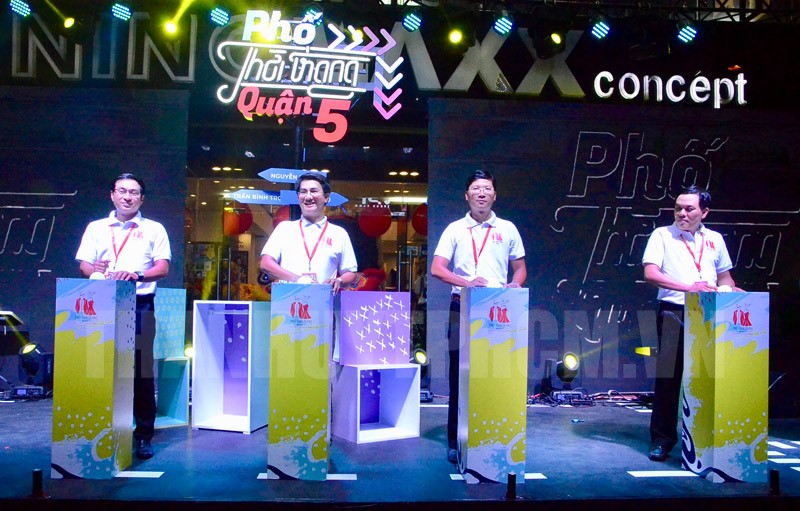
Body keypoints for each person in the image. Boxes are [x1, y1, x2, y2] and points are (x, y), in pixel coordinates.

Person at [431, 169, 527, 464]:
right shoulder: (455, 229)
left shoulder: (508, 228)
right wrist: (466, 282)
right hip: (462, 306)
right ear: (467, 195)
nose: (481, 193)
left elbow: (520, 269)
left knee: (495, 374)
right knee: (459, 376)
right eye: (476, 188)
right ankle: (455, 441)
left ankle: (492, 436)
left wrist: (515, 284)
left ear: (494, 195)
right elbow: (437, 268)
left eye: (486, 188)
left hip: (497, 310)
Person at [642, 185, 741, 462]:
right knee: (669, 378)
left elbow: (725, 277)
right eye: (678, 208)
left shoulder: (715, 239)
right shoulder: (662, 235)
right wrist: (689, 288)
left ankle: (703, 438)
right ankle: (662, 439)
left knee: (706, 376)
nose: (682, 213)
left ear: (704, 212)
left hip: (709, 313)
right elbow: (651, 273)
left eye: (689, 209)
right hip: (674, 311)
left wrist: (732, 290)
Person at [75, 173, 171, 460]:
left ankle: (143, 436)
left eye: (134, 192)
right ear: (112, 195)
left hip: (139, 304)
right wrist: (96, 270)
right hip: (102, 303)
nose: (127, 197)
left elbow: (163, 268)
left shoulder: (154, 228)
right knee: (100, 366)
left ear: (142, 198)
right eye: (122, 191)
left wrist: (136, 274)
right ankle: (100, 431)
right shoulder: (96, 228)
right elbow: (84, 265)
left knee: (141, 371)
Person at [260, 172, 357, 290]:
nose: (308, 197)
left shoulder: (339, 233)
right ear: (298, 197)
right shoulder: (284, 229)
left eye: (314, 191)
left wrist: (339, 280)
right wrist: (298, 280)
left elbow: (350, 272)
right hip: (288, 298)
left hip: (324, 298)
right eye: (303, 192)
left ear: (326, 197)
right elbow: (266, 263)